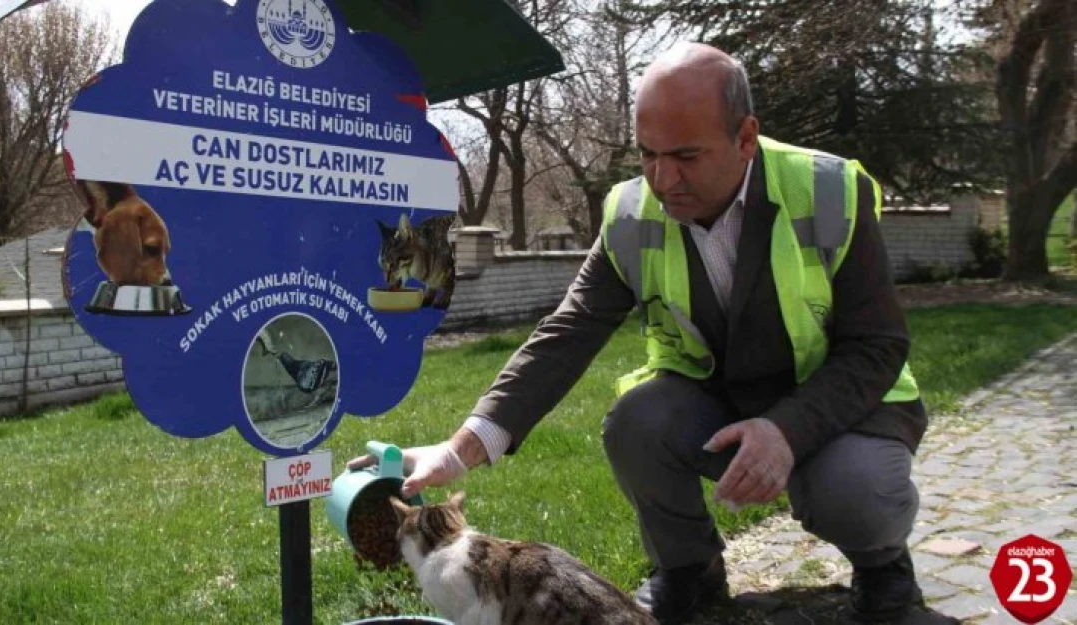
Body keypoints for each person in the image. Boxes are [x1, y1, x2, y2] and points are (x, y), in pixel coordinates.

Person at [349, 42, 944, 625]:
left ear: (745, 137)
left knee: (857, 489)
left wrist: (786, 430)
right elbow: (569, 331)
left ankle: (883, 565)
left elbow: (879, 345)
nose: (663, 178)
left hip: (837, 406)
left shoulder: (829, 191)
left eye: (685, 155)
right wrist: (460, 449)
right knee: (636, 421)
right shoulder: (632, 215)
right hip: (718, 401)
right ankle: (689, 571)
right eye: (648, 154)